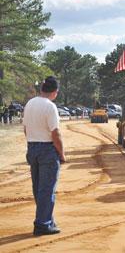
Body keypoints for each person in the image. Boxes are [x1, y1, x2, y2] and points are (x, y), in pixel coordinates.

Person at [23, 76, 66, 236]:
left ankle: (46, 219)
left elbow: (25, 129)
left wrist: (31, 144)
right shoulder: (50, 106)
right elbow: (56, 133)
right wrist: (61, 153)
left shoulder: (30, 103)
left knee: (38, 188)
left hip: (32, 147)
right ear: (55, 92)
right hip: (47, 149)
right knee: (47, 189)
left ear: (42, 88)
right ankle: (43, 224)